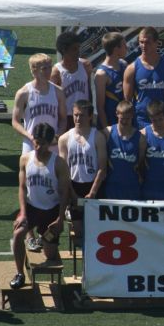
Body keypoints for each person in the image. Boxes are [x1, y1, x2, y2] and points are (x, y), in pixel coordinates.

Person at [10, 123, 71, 289]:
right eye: (36, 142)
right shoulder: (25, 159)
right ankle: (20, 273)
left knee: (50, 254)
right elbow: (22, 188)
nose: (38, 146)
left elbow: (65, 193)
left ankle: (43, 238)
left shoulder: (59, 164)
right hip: (31, 209)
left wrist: (60, 219)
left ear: (50, 142)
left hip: (51, 212)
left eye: (42, 143)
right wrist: (22, 213)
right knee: (18, 235)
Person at [58, 99, 107, 238]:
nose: (78, 118)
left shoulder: (97, 137)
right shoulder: (64, 138)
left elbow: (102, 169)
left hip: (93, 186)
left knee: (96, 232)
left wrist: (92, 193)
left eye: (82, 115)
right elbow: (64, 170)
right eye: (75, 115)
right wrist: (72, 194)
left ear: (90, 116)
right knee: (78, 233)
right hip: (74, 186)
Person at [124, 27, 164, 129]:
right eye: (141, 42)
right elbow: (127, 102)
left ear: (156, 43)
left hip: (163, 121)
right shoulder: (131, 68)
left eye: (147, 42)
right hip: (141, 122)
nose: (143, 46)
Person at [12, 53, 67, 155]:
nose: (48, 71)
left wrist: (57, 136)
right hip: (31, 144)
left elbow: (63, 119)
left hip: (52, 144)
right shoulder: (23, 93)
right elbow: (15, 122)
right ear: (34, 70)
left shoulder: (58, 92)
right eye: (44, 68)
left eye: (49, 67)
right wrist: (30, 137)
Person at [51, 31, 92, 131]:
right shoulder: (57, 71)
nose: (78, 52)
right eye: (74, 49)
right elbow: (53, 99)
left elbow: (89, 90)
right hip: (66, 117)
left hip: (85, 114)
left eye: (78, 48)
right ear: (64, 50)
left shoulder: (86, 65)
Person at [103, 100, 142, 201]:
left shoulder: (140, 137)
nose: (124, 122)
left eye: (127, 119)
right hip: (112, 187)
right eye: (122, 119)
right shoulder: (108, 132)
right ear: (116, 114)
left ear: (132, 116)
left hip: (132, 187)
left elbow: (141, 163)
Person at [93, 32, 128, 129]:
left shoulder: (124, 65)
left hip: (125, 122)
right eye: (124, 45)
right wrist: (106, 130)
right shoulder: (101, 74)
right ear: (116, 49)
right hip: (110, 124)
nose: (127, 47)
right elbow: (100, 107)